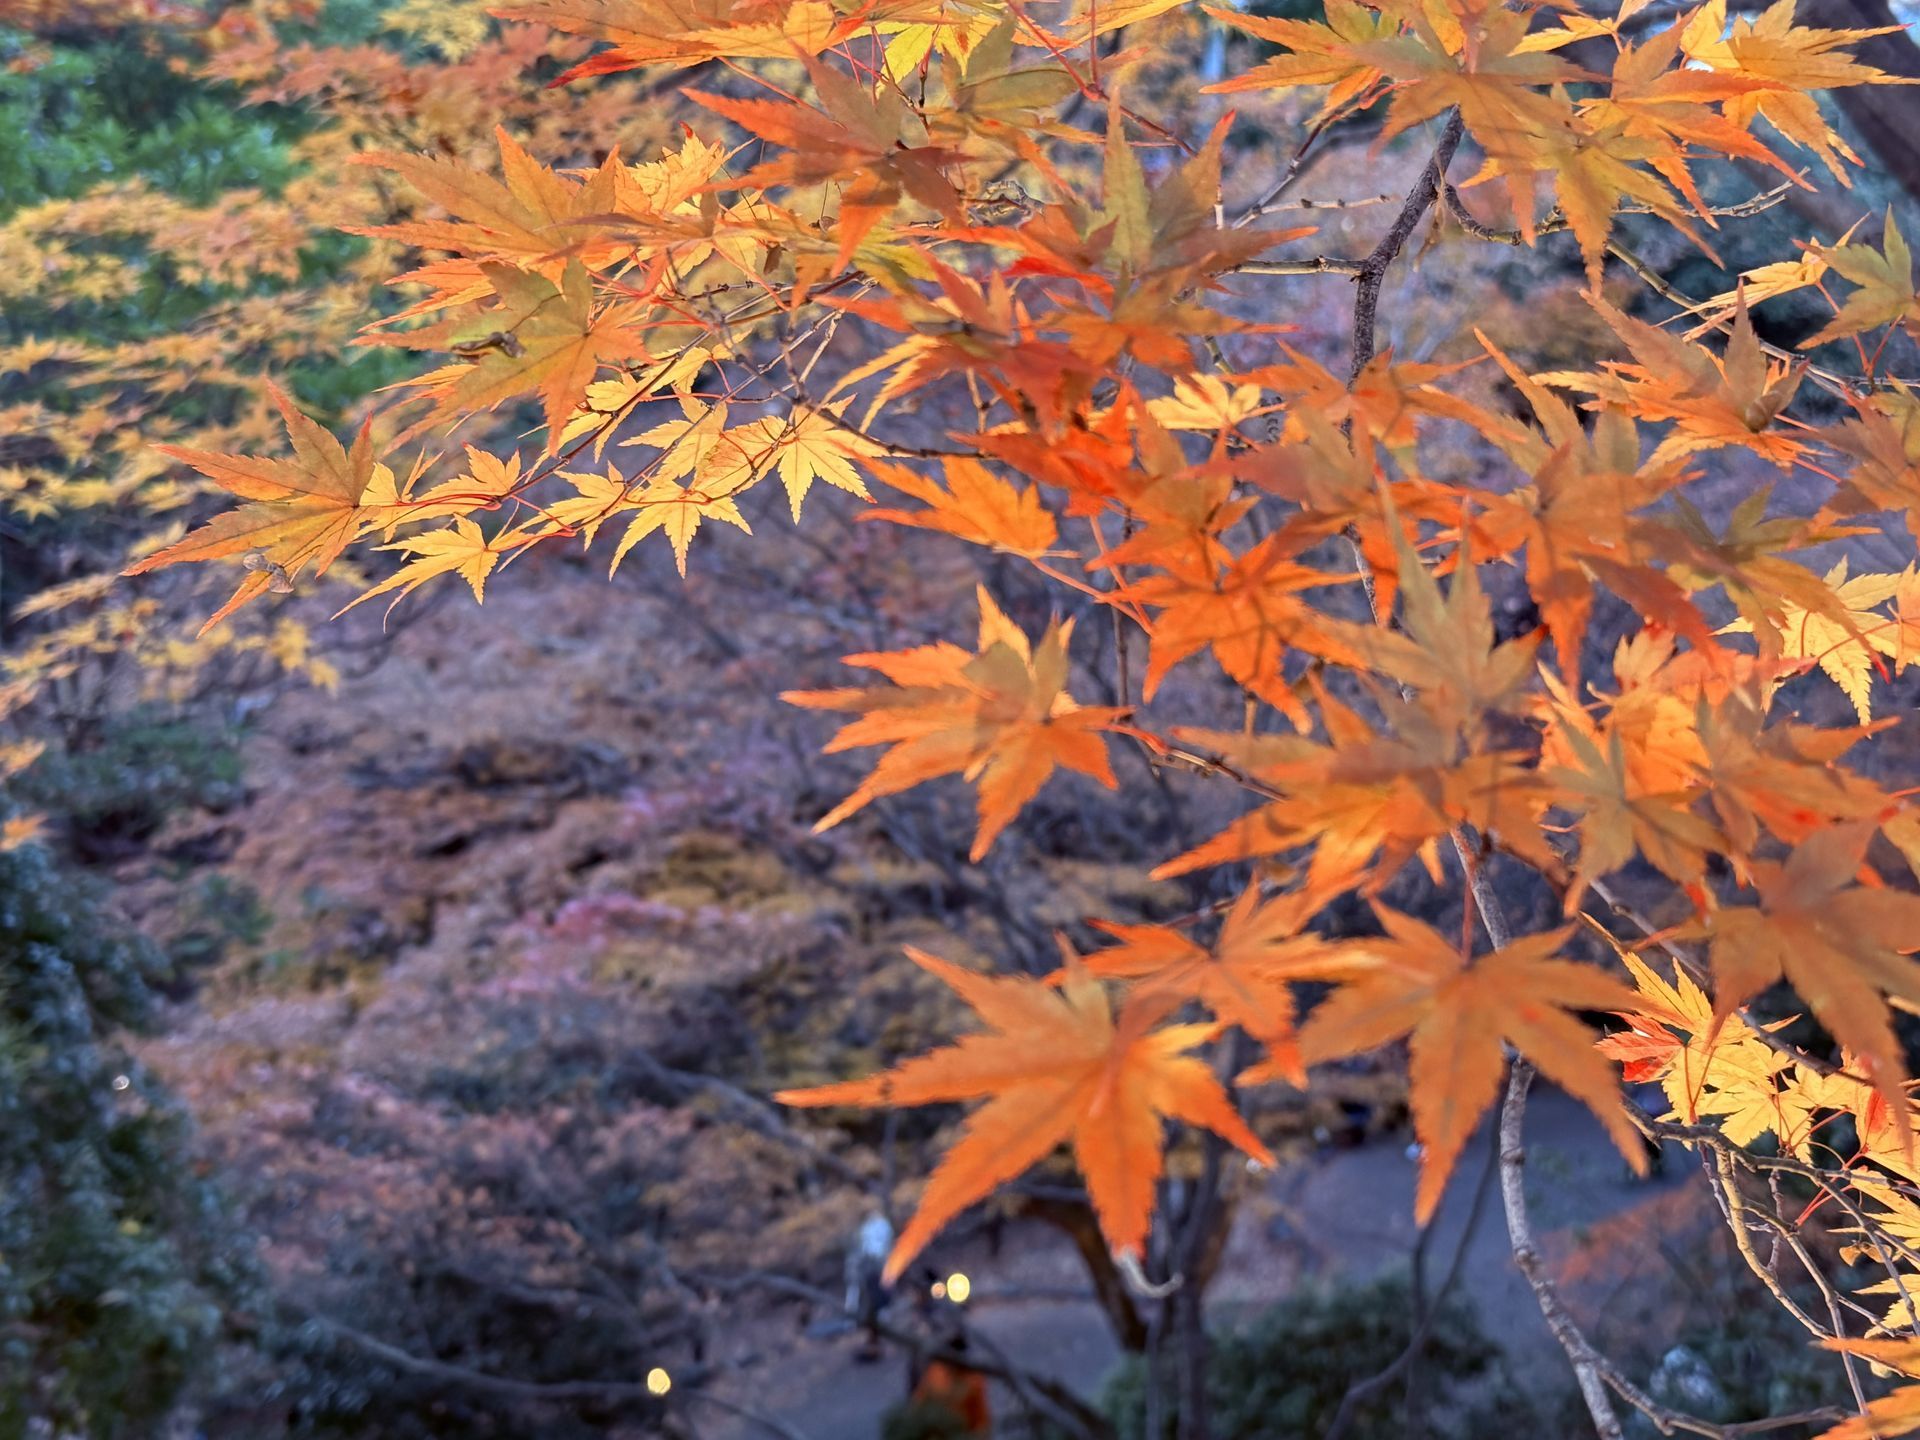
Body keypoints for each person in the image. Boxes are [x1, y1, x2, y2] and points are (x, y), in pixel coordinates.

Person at [844, 1210, 893, 1361]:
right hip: (868, 1271)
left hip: (877, 1272)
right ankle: (860, 1321)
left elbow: (883, 1245)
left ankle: (876, 1327)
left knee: (878, 1297)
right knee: (867, 1296)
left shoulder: (881, 1226)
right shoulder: (867, 1229)